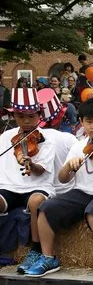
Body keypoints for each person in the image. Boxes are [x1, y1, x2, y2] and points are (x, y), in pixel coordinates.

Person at [29, 98, 93, 280]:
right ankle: (48, 257)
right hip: (82, 192)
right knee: (46, 208)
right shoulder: (78, 146)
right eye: (89, 121)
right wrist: (69, 166)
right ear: (82, 122)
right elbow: (63, 178)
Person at [1, 89, 55, 273]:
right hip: (9, 186)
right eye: (20, 116)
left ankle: (36, 250)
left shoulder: (46, 139)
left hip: (38, 186)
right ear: (14, 115)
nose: (26, 121)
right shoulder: (6, 137)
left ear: (39, 115)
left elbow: (42, 170)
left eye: (31, 116)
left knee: (35, 201)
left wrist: (32, 163)